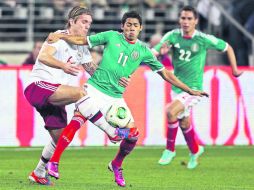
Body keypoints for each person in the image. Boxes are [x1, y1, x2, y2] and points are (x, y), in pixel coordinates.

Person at [45, 11, 208, 187]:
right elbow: (82, 40)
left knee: (133, 136)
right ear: (122, 26)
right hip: (94, 89)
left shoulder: (143, 51)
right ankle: (54, 161)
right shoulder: (110, 36)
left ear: (140, 28)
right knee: (77, 120)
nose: (131, 28)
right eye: (128, 25)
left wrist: (189, 89)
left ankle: (116, 164)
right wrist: (59, 35)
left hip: (115, 98)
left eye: (135, 26)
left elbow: (166, 74)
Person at [25, 6, 131, 186]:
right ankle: (111, 131)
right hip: (38, 86)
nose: (87, 26)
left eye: (89, 23)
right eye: (83, 22)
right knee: (81, 92)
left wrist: (115, 79)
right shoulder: (58, 37)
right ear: (72, 21)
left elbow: (93, 71)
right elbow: (43, 56)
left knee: (60, 139)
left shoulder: (81, 47)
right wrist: (63, 66)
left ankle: (39, 171)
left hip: (55, 93)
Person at [153, 6, 243, 169]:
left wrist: (235, 70)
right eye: (183, 18)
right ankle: (195, 150)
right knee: (184, 123)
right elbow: (154, 51)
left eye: (189, 19)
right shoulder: (172, 36)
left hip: (194, 89)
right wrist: (160, 53)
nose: (185, 22)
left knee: (170, 112)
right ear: (179, 20)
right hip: (177, 88)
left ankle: (169, 149)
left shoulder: (202, 38)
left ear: (196, 21)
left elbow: (227, 47)